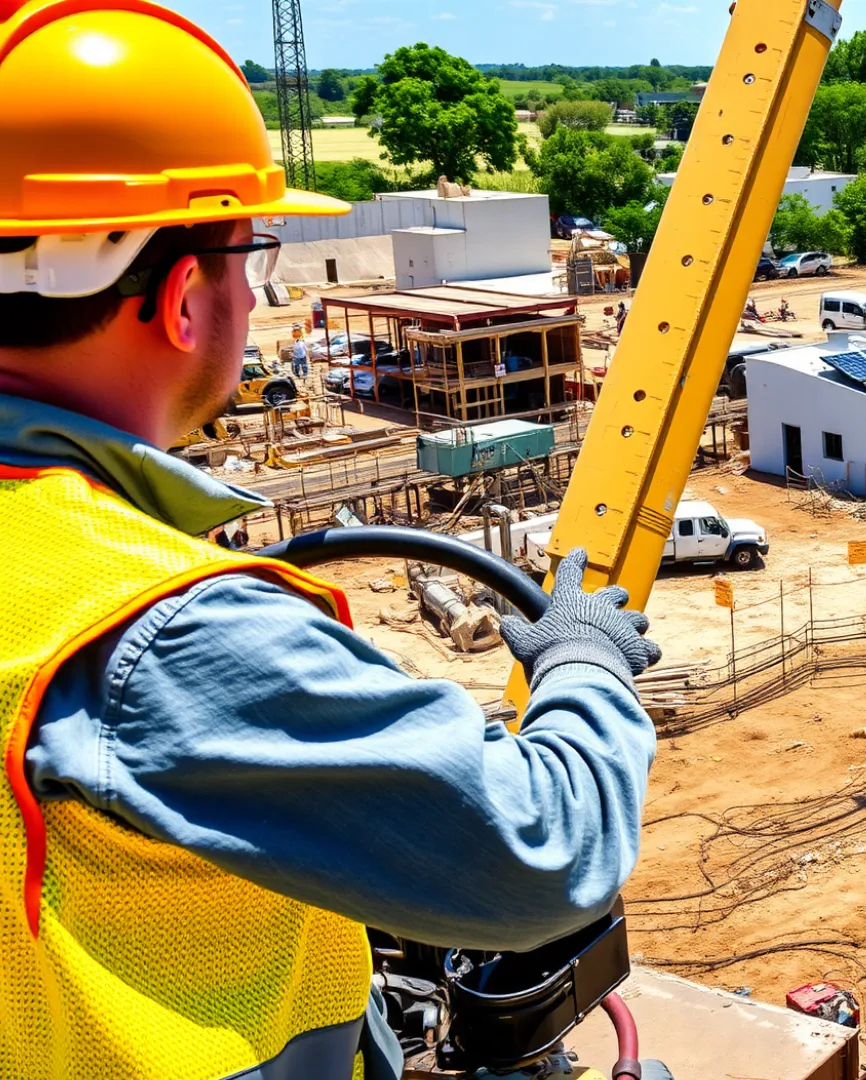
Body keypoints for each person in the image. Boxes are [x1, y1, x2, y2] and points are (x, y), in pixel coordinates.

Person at [0, 4, 664, 1077]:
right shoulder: (162, 632)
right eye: (252, 261)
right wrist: (585, 661)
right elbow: (545, 852)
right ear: (181, 298)